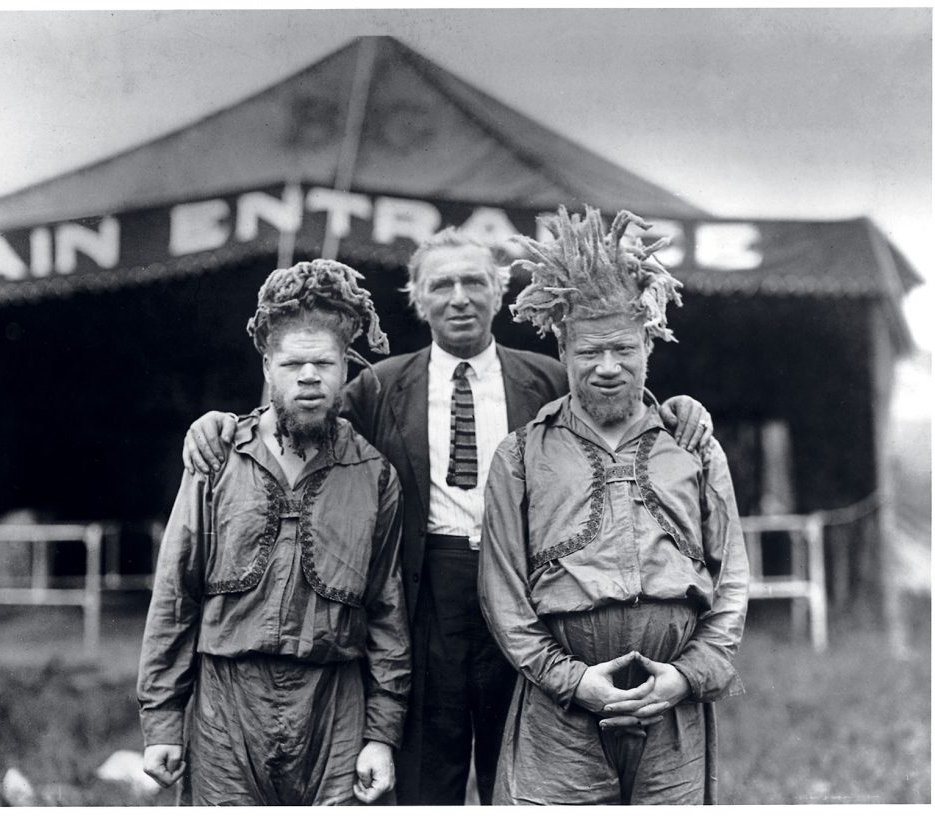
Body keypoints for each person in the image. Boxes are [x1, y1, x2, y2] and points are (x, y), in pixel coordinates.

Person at [181, 228, 714, 805]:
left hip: (526, 588)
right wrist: (225, 423)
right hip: (425, 589)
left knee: (516, 753)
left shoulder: (546, 378)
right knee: (425, 769)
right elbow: (308, 411)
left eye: (474, 282)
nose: (459, 297)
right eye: (442, 284)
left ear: (500, 289)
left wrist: (680, 408)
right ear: (417, 297)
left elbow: (616, 404)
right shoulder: (380, 387)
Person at [478, 206, 750, 805]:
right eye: (589, 352)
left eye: (624, 349)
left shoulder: (693, 446)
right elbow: (503, 598)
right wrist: (574, 682)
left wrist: (686, 676)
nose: (607, 368)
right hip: (560, 718)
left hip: (672, 719)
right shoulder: (519, 456)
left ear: (650, 342)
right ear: (564, 348)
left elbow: (730, 582)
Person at [137, 259, 410, 806]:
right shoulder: (216, 461)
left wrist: (381, 734)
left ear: (345, 369)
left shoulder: (375, 475)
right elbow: (174, 595)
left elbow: (387, 612)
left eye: (323, 364)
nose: (309, 377)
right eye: (293, 364)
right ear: (267, 366)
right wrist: (163, 720)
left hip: (334, 709)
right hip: (225, 709)